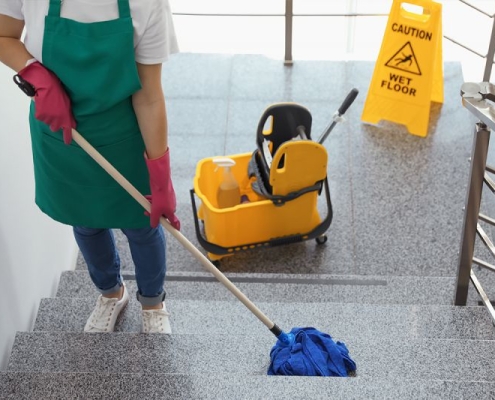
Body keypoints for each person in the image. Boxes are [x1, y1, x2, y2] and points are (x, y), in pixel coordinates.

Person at [0, 0, 180, 334]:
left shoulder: (148, 4)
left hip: (123, 134)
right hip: (62, 135)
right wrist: (34, 72)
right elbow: (4, 35)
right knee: (85, 221)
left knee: (142, 224)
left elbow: (149, 95)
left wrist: (160, 176)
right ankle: (111, 293)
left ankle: (153, 302)